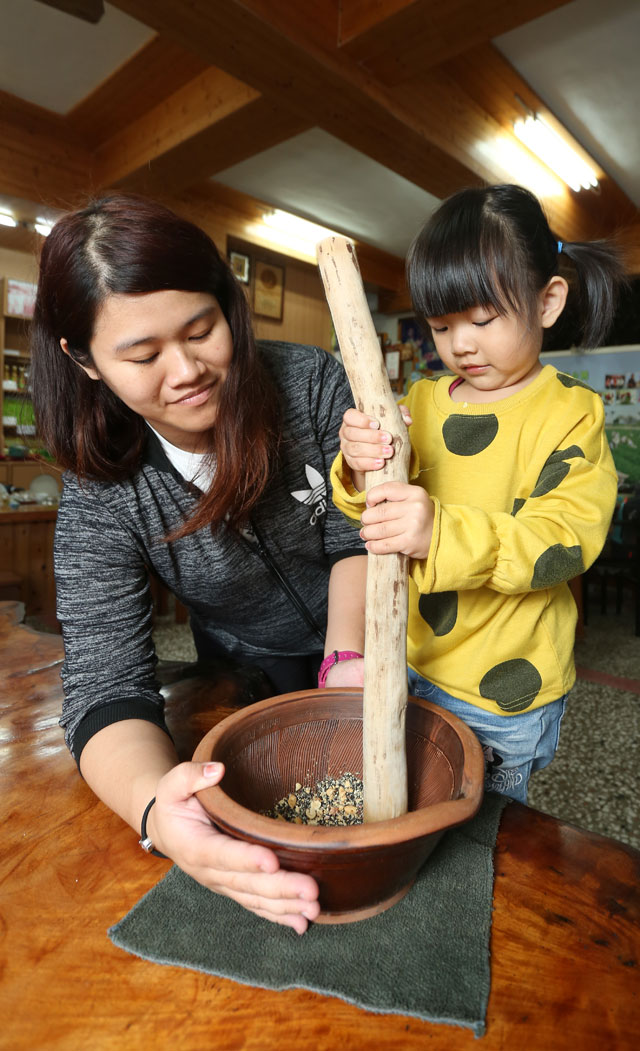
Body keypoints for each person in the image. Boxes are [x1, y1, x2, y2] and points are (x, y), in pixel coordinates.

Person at [30, 193, 368, 933]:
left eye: (201, 329)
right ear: (83, 359)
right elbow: (104, 684)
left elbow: (358, 539)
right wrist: (158, 808)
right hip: (246, 668)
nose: (185, 371)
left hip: (373, 636)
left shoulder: (310, 386)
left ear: (227, 305)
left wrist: (348, 662)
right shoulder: (103, 494)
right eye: (143, 356)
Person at [332, 184, 625, 802]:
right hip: (411, 664)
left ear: (547, 302)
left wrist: (439, 533)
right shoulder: (419, 400)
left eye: (483, 319)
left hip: (505, 691)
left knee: (482, 828)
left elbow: (563, 542)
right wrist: (361, 467)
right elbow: (371, 513)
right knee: (404, 795)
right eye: (440, 326)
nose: (460, 343)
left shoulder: (572, 414)